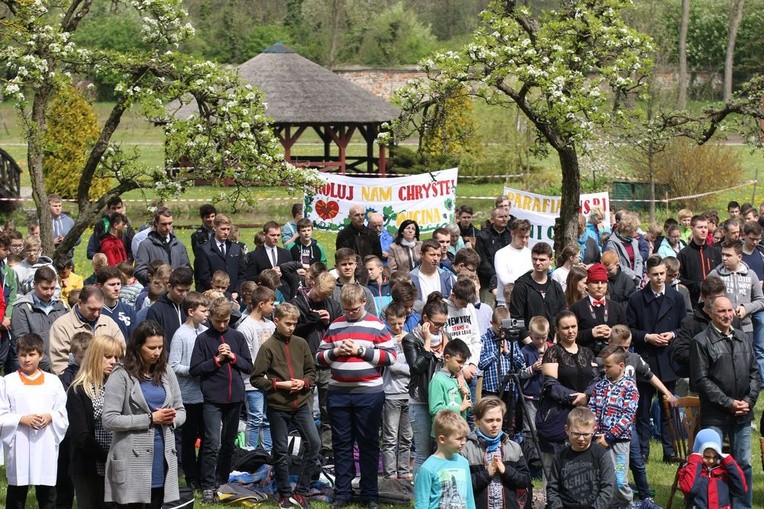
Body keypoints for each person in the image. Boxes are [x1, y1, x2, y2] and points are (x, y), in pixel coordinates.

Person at [316, 283, 397, 508]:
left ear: (363, 302)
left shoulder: (376, 324)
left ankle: (370, 493)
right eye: (346, 309)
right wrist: (336, 352)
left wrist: (361, 351)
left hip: (369, 393)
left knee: (368, 443)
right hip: (338, 393)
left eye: (354, 309)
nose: (350, 313)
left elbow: (390, 357)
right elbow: (319, 358)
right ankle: (343, 492)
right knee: (341, 444)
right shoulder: (335, 325)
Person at [103, 320, 186, 508]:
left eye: (160, 347)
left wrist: (172, 419)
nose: (157, 352)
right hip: (131, 460)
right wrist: (150, 419)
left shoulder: (166, 372)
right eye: (151, 348)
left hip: (162, 456)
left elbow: (181, 410)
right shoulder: (121, 375)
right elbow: (109, 420)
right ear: (138, 346)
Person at [690, 296, 759, 509]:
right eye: (722, 311)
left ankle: (741, 506)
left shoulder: (742, 338)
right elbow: (700, 381)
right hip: (715, 415)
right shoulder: (700, 341)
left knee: (743, 464)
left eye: (730, 310)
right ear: (710, 313)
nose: (728, 314)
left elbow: (755, 374)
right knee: (711, 464)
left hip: (743, 414)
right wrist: (729, 403)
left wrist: (748, 401)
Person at [251, 302, 319, 509]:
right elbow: (256, 379)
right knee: (280, 451)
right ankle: (284, 494)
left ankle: (301, 491)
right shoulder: (268, 347)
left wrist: (304, 383)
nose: (291, 327)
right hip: (278, 407)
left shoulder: (301, 343)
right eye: (288, 323)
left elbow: (311, 371)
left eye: (294, 324)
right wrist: (279, 384)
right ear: (276, 321)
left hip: (301, 404)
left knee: (314, 444)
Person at [190, 297, 253, 504]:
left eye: (226, 321)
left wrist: (233, 357)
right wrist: (216, 361)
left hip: (235, 397)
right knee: (211, 442)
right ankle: (207, 485)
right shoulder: (203, 339)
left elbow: (249, 367)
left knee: (228, 443)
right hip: (213, 398)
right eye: (218, 321)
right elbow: (195, 369)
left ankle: (221, 480)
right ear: (210, 318)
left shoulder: (237, 337)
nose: (222, 325)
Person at [626, 254, 686, 463]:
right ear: (647, 275)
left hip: (668, 358)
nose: (660, 278)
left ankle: (669, 451)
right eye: (655, 275)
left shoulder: (676, 297)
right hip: (647, 358)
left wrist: (672, 334)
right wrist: (647, 336)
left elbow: (684, 325)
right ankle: (643, 450)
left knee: (668, 406)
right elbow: (629, 329)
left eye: (663, 274)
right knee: (643, 410)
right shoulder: (636, 299)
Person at [0, 333, 68, 509]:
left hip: (44, 445)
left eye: (31, 354)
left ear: (41, 355)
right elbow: (1, 414)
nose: (26, 359)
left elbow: (62, 412)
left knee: (47, 494)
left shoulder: (53, 382)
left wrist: (50, 416)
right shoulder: (8, 382)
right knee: (17, 494)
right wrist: (21, 419)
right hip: (19, 444)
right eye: (22, 355)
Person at [66, 334, 124, 509]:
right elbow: (81, 435)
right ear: (94, 356)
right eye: (107, 357)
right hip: (88, 465)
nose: (113, 361)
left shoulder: (120, 386)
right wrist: (106, 458)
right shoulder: (78, 390)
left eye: (116, 357)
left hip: (118, 462)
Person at [536, 312, 597, 471]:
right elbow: (550, 384)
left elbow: (596, 380)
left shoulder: (587, 352)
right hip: (559, 412)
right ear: (557, 330)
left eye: (573, 327)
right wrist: (574, 398)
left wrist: (587, 395)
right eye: (566, 328)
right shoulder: (553, 352)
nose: (570, 331)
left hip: (584, 412)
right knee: (555, 466)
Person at [403, 292, 451, 474]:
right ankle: (420, 498)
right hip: (421, 400)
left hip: (442, 401)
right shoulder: (411, 339)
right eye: (436, 324)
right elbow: (416, 367)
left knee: (442, 450)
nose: (439, 328)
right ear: (425, 319)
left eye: (443, 324)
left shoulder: (446, 338)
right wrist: (428, 344)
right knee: (423, 453)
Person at [587, 345, 638, 509]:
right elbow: (592, 409)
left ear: (621, 365)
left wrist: (610, 436)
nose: (605, 369)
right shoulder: (600, 386)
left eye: (608, 366)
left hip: (619, 443)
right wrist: (595, 434)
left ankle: (626, 505)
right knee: (600, 477)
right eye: (603, 366)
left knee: (620, 479)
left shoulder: (629, 387)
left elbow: (627, 416)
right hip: (599, 440)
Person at [168, 291, 209, 491]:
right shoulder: (180, 335)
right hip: (188, 396)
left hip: (205, 394)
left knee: (207, 436)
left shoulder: (205, 331)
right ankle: (191, 475)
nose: (207, 314)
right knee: (189, 438)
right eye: (203, 310)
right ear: (191, 311)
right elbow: (173, 365)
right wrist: (195, 370)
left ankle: (203, 473)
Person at [462, 396, 530, 509]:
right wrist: (487, 473)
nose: (495, 424)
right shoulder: (467, 449)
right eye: (489, 420)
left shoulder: (513, 448)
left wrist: (506, 470)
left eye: (498, 420)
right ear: (477, 420)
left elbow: (525, 481)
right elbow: (462, 485)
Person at [546, 407, 615, 509]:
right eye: (576, 434)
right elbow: (552, 489)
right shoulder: (560, 457)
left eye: (586, 434)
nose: (581, 438)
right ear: (567, 430)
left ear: (593, 430)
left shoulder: (601, 454)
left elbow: (608, 489)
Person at [49, 285, 125, 375]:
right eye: (92, 309)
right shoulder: (61, 326)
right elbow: (59, 366)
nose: (96, 314)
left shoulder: (108, 323)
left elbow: (122, 354)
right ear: (80, 304)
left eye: (100, 309)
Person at [237, 286, 276, 451]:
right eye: (271, 304)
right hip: (252, 382)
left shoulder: (271, 325)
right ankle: (249, 452)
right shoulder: (245, 327)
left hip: (270, 381)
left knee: (267, 419)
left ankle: (267, 452)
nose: (274, 307)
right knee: (255, 418)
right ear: (261, 304)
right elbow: (246, 357)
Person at [414, 409, 476, 509]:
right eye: (459, 438)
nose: (464, 442)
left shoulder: (463, 463)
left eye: (465, 438)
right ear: (442, 439)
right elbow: (422, 504)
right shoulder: (427, 468)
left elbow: (469, 498)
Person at [478, 306, 525, 435]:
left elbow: (522, 363)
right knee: (491, 422)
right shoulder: (484, 340)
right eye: (500, 328)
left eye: (505, 329)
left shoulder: (511, 340)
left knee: (507, 422)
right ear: (492, 323)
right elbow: (480, 364)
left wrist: (507, 352)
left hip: (509, 390)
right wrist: (496, 353)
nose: (502, 333)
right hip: (491, 390)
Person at [10, 266, 67, 372]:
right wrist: (50, 366)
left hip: (61, 365)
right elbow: (23, 342)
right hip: (32, 368)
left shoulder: (61, 307)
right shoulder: (22, 309)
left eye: (52, 288)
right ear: (34, 284)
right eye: (45, 288)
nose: (49, 292)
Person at [708, 239, 764, 342]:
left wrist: (746, 308)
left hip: (746, 328)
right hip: (721, 329)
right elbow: (704, 300)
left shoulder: (751, 274)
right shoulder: (714, 275)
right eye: (723, 255)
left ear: (739, 257)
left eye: (728, 255)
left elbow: (761, 300)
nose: (724, 258)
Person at [381, 302, 413, 480]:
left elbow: (418, 365)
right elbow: (390, 366)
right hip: (391, 394)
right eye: (393, 324)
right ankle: (390, 473)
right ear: (387, 322)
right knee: (390, 437)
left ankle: (403, 471)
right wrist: (409, 368)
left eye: (400, 323)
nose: (397, 327)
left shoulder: (411, 338)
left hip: (409, 395)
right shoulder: (385, 340)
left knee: (406, 438)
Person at [678, 428, 748, 509]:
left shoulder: (723, 470)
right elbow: (689, 489)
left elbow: (741, 489)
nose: (711, 461)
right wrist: (695, 460)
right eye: (707, 457)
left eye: (715, 457)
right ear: (699, 453)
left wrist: (729, 462)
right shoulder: (691, 469)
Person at [509, 242, 565, 338]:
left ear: (551, 260)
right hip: (527, 344)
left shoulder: (556, 287)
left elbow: (561, 317)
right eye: (535, 259)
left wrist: (556, 340)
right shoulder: (521, 286)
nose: (537, 263)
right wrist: (529, 344)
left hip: (552, 343)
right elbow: (516, 319)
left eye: (542, 260)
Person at [571, 263, 625, 355]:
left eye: (603, 282)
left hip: (612, 357)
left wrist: (613, 333)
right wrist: (591, 333)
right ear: (587, 285)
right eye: (596, 282)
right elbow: (570, 335)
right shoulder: (577, 307)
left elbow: (626, 332)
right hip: (585, 356)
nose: (600, 286)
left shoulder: (616, 307)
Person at [134, 207, 192, 286]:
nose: (168, 227)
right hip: (156, 293)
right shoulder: (145, 245)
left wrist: (178, 278)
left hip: (176, 292)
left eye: (170, 223)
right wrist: (157, 280)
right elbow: (139, 271)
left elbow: (187, 269)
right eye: (164, 224)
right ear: (156, 224)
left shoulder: (179, 246)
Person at [194, 214, 246, 294]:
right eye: (223, 229)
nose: (226, 232)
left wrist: (237, 291)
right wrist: (218, 291)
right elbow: (203, 276)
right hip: (213, 295)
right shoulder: (204, 249)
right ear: (214, 228)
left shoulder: (236, 248)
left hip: (233, 295)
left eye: (228, 229)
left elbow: (242, 273)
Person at [677, 215, 722, 307]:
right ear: (692, 229)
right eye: (700, 227)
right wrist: (697, 285)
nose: (703, 230)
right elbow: (679, 278)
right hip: (694, 301)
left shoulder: (715, 252)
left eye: (705, 227)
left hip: (715, 301)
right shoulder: (684, 254)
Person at [146, 267, 193, 346]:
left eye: (187, 290)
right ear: (169, 286)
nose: (184, 294)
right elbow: (153, 340)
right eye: (180, 290)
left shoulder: (190, 306)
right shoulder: (156, 310)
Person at [429, 338, 472, 421]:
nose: (462, 366)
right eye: (459, 362)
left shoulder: (460, 380)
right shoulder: (438, 381)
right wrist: (459, 408)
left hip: (459, 428)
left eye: (463, 362)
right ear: (447, 358)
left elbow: (468, 407)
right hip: (444, 431)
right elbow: (435, 409)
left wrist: (466, 395)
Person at [475, 207, 511, 304]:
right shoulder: (482, 236)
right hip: (487, 282)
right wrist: (496, 275)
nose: (504, 219)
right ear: (492, 219)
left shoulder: (511, 235)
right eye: (500, 217)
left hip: (508, 282)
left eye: (506, 217)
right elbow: (481, 260)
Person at [494, 219, 532, 307]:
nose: (524, 240)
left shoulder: (530, 254)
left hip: (526, 302)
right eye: (521, 237)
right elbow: (505, 280)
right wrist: (526, 279)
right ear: (512, 234)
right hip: (505, 303)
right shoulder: (501, 254)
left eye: (526, 237)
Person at [87, 196, 135, 262]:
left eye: (119, 208)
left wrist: (127, 264)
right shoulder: (101, 225)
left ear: (122, 208)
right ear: (108, 209)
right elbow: (96, 248)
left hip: (124, 264)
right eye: (113, 208)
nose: (116, 211)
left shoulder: (127, 226)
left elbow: (132, 249)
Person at [97, 265, 136, 341]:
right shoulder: (95, 312)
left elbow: (134, 340)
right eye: (112, 285)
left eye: (118, 284)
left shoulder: (128, 310)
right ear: (100, 286)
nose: (117, 288)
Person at [604, 212, 643, 285]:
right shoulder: (612, 243)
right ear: (627, 230)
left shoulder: (634, 242)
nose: (635, 233)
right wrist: (633, 276)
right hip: (621, 282)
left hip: (636, 282)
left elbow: (639, 260)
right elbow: (615, 264)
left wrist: (638, 276)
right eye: (633, 230)